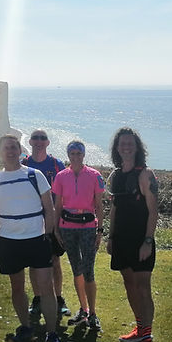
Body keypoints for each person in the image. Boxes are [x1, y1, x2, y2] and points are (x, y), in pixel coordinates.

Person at [0, 134, 67, 342]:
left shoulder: (34, 175)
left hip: (36, 239)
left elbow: (48, 208)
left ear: (20, 150)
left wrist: (48, 236)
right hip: (9, 242)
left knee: (46, 288)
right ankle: (26, 328)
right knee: (17, 288)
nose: (10, 151)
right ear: (0, 152)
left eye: (13, 147)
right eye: (6, 148)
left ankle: (52, 334)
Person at [107, 128, 158, 342]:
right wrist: (110, 236)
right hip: (121, 240)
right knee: (129, 284)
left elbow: (153, 210)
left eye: (130, 143)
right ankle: (139, 329)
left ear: (137, 147)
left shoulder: (145, 174)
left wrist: (148, 240)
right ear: (117, 148)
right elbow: (115, 208)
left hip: (141, 239)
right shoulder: (115, 175)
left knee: (143, 287)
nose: (126, 147)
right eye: (122, 144)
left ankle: (147, 340)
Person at [51, 140, 105, 330]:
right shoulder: (60, 176)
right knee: (76, 270)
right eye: (72, 153)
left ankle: (93, 313)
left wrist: (100, 231)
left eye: (78, 153)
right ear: (68, 155)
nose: (75, 156)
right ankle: (83, 309)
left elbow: (99, 206)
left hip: (88, 227)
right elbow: (58, 205)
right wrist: (56, 229)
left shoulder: (94, 175)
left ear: (83, 155)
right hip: (68, 227)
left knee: (88, 271)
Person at [22, 129, 70, 320]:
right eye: (35, 138)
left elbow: (62, 192)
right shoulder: (24, 163)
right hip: (31, 218)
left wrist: (58, 219)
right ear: (31, 142)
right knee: (34, 262)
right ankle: (37, 299)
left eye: (43, 138)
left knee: (55, 260)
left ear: (48, 143)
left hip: (53, 217)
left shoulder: (56, 164)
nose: (39, 141)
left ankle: (58, 299)